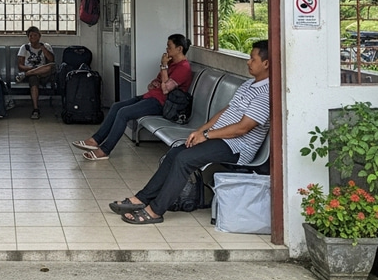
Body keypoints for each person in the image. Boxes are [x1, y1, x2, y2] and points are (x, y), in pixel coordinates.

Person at [113, 39, 270, 225]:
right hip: (220, 138)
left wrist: (206, 136)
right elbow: (226, 111)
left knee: (184, 159)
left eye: (252, 59)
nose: (248, 62)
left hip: (237, 147)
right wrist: (202, 129)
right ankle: (142, 198)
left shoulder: (266, 93)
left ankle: (155, 210)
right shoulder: (249, 85)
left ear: (266, 63)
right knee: (176, 151)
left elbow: (242, 128)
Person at [72, 33, 193, 160]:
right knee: (116, 106)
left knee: (124, 113)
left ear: (179, 49)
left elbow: (165, 89)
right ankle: (95, 140)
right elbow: (155, 83)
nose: (166, 50)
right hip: (151, 97)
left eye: (169, 47)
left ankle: (104, 150)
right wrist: (159, 79)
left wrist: (163, 66)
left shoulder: (183, 67)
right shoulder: (171, 63)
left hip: (162, 103)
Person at [16, 26, 55, 120]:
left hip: (43, 72)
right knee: (33, 79)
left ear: (39, 36)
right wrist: (31, 69)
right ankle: (36, 109)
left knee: (51, 67)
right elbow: (20, 66)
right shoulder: (24, 48)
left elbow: (51, 60)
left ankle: (26, 75)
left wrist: (44, 49)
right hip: (32, 72)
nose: (32, 37)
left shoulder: (46, 46)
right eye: (30, 36)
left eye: (35, 35)